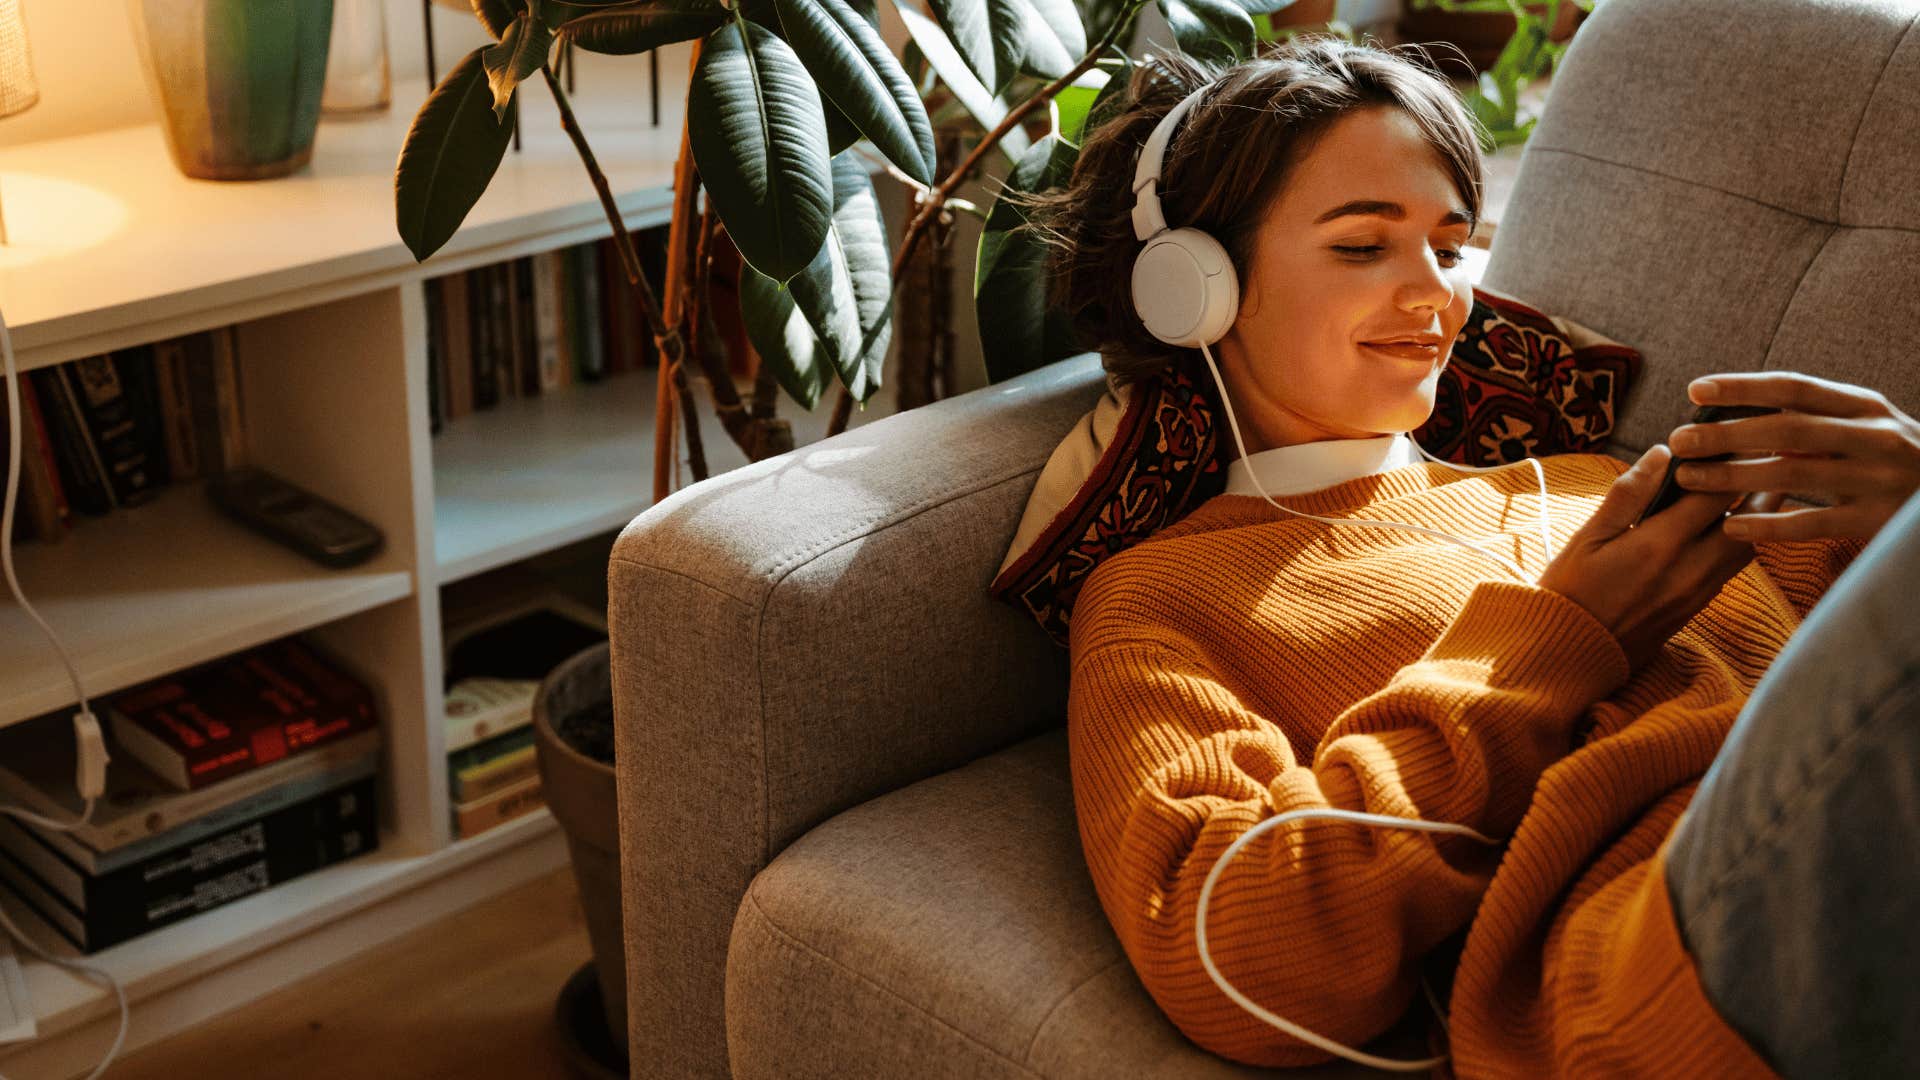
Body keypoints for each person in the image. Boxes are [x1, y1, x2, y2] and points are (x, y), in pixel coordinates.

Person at [1008, 36, 1920, 1078]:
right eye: (1364, 247)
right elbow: (1232, 952)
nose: (1439, 296)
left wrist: (1898, 508)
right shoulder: (1161, 597)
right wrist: (1554, 649)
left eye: (1449, 247)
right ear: (1196, 288)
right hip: (1655, 958)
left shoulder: (1591, 487)